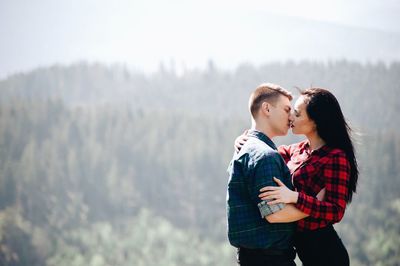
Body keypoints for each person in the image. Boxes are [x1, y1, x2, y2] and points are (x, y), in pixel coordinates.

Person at [235, 87, 359, 266]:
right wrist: (243, 140)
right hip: (299, 247)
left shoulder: (335, 157)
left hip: (325, 252)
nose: (291, 117)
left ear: (315, 121)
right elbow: (262, 155)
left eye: (298, 114)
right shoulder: (296, 150)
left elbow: (335, 211)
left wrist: (295, 197)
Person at [226, 83, 297, 266]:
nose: (291, 117)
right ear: (266, 108)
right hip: (270, 260)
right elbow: (274, 214)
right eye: (287, 109)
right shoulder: (265, 155)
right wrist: (318, 206)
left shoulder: (246, 148)